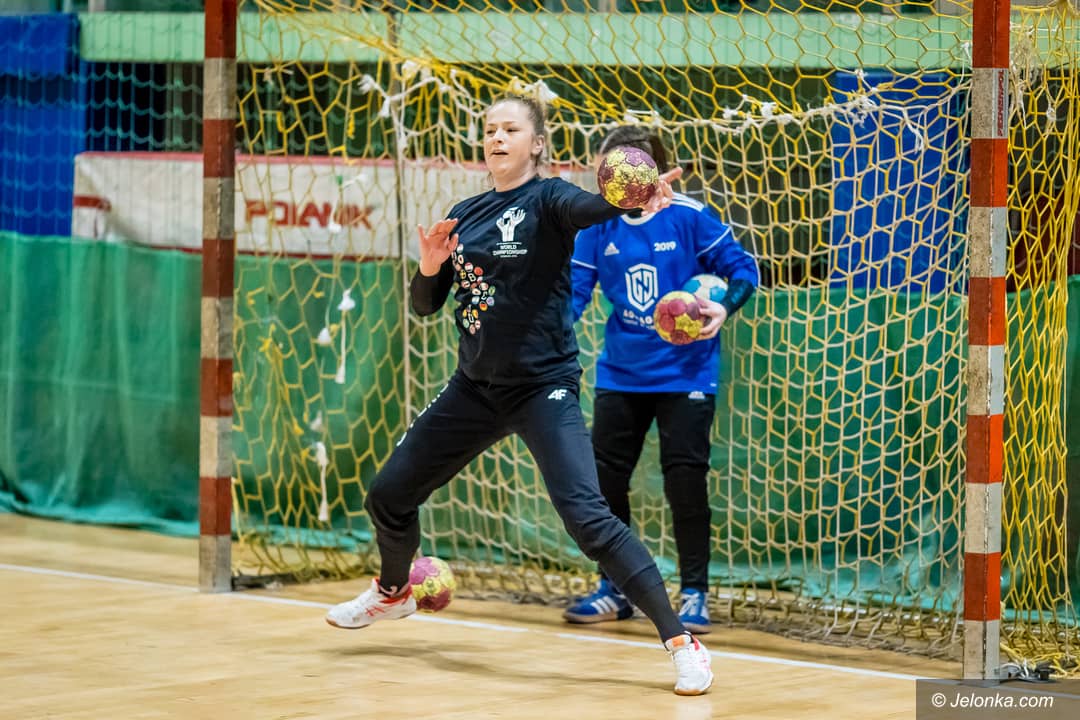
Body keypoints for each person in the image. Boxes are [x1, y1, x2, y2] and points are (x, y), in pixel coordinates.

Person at [324, 95, 719, 696]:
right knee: (389, 494)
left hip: (542, 389)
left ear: (536, 144)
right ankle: (393, 592)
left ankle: (682, 643)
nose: (497, 138)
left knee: (590, 520)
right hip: (474, 390)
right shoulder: (465, 213)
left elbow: (593, 205)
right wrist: (429, 265)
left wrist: (633, 195)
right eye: (490, 129)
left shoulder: (552, 199)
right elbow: (426, 306)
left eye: (511, 129)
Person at [563, 126, 760, 635]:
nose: (612, 176)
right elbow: (574, 296)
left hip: (686, 373)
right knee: (604, 484)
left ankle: (694, 593)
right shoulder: (597, 227)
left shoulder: (689, 216)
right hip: (621, 373)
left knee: (685, 482)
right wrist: (541, 332)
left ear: (650, 171)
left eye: (623, 167)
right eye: (606, 167)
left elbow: (745, 270)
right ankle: (615, 589)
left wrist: (724, 305)